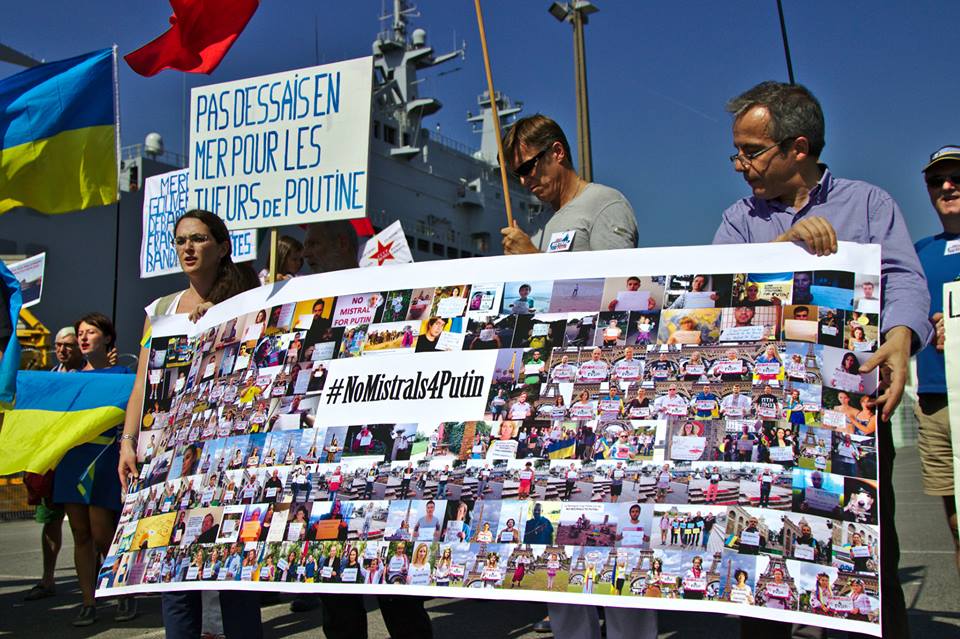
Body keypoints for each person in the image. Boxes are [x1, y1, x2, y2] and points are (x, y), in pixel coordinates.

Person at [715, 81, 929, 639]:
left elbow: (905, 279)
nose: (740, 164)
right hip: (765, 420)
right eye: (736, 150)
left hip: (852, 413)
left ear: (799, 147)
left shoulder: (870, 203)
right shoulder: (738, 219)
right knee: (757, 555)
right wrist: (782, 247)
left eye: (752, 150)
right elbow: (715, 301)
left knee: (867, 555)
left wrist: (902, 334)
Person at [117, 211, 259, 637]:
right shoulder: (160, 310)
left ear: (222, 247)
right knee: (171, 576)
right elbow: (143, 382)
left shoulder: (249, 301)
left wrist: (226, 322)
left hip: (221, 455)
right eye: (181, 241)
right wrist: (128, 442)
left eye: (198, 239)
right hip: (164, 457)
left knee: (228, 572)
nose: (188, 248)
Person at [51, 314, 133, 626]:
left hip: (104, 458)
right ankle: (88, 601)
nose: (83, 338)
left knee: (102, 534)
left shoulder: (123, 374)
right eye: (80, 333)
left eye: (91, 332)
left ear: (108, 339)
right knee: (80, 534)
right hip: (72, 461)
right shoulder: (67, 379)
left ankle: (122, 592)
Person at [913, 144, 960, 573]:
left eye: (957, 177)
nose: (947, 186)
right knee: (956, 523)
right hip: (934, 399)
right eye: (937, 180)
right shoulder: (919, 250)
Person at [499, 114, 638, 255]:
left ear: (558, 152)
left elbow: (615, 274)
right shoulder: (538, 224)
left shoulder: (605, 205)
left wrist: (532, 256)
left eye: (526, 168)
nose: (523, 181)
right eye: (518, 175)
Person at [22, 327, 85, 603]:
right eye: (58, 345)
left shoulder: (90, 377)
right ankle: (48, 579)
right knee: (50, 521)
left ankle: (93, 582)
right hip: (51, 462)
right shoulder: (48, 379)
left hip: (77, 462)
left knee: (86, 526)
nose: (62, 350)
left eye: (68, 345)